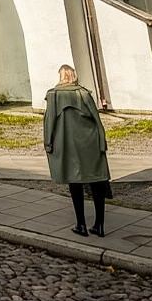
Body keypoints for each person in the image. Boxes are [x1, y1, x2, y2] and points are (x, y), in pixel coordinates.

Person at [44, 64, 112, 237]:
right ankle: (99, 225)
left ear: (60, 76)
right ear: (74, 75)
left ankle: (81, 224)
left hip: (67, 144)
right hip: (90, 143)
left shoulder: (54, 95)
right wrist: (101, 141)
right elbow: (96, 119)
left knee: (74, 183)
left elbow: (49, 121)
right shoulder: (83, 93)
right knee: (97, 182)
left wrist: (48, 143)